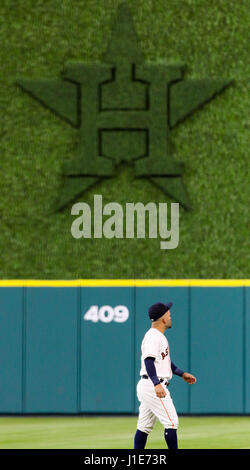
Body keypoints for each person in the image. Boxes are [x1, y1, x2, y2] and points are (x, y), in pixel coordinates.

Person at [134, 302, 196, 449]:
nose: (170, 317)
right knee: (171, 422)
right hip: (152, 385)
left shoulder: (157, 336)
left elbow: (164, 361)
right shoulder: (153, 337)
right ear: (163, 319)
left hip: (150, 384)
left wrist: (181, 374)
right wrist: (156, 384)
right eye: (169, 315)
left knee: (144, 426)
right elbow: (148, 361)